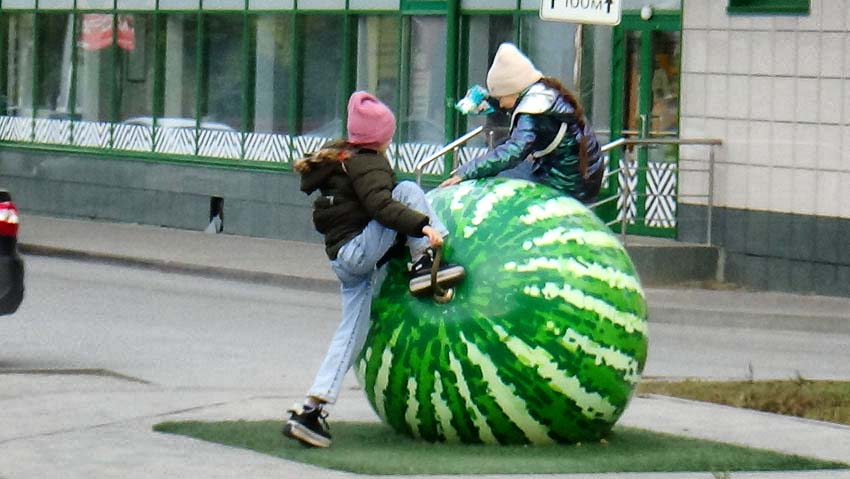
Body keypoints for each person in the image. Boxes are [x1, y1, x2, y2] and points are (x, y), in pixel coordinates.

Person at [283, 91, 466, 448]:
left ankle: (311, 410)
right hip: (357, 251)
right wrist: (422, 228)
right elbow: (382, 206)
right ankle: (426, 263)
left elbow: (367, 211)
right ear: (380, 137)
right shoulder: (368, 162)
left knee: (351, 334)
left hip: (345, 261)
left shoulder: (344, 158)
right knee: (410, 190)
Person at [440, 43, 604, 203]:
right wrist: (489, 99)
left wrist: (467, 172)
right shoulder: (543, 92)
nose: (502, 104)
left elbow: (515, 150)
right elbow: (518, 109)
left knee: (500, 181)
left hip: (566, 183)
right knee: (501, 152)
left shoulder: (533, 108)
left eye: (501, 98)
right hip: (579, 176)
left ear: (514, 90)